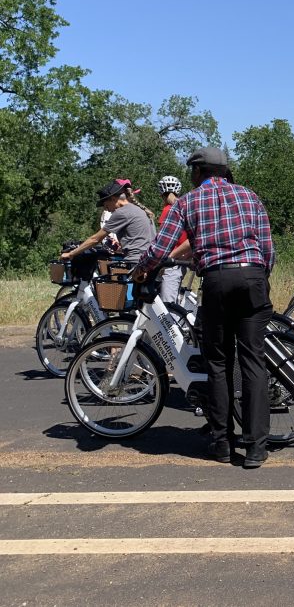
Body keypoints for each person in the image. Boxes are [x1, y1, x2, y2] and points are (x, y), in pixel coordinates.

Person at [136, 147, 275, 468]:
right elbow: (268, 248)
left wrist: (142, 267)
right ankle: (255, 448)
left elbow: (161, 246)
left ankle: (222, 443)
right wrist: (257, 277)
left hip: (217, 282)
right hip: (253, 277)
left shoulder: (188, 201)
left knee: (219, 363)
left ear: (198, 172)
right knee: (253, 361)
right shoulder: (249, 196)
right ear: (224, 171)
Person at [61, 180, 156, 263]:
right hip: (149, 259)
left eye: (106, 206)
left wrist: (71, 254)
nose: (107, 210)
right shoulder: (139, 210)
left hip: (135, 260)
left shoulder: (122, 212)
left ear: (113, 199)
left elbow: (96, 239)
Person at [157, 175, 188, 305]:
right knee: (173, 300)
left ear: (161, 193)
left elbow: (163, 240)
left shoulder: (168, 210)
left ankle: (171, 325)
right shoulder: (183, 208)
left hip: (171, 260)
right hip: (184, 258)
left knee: (167, 305)